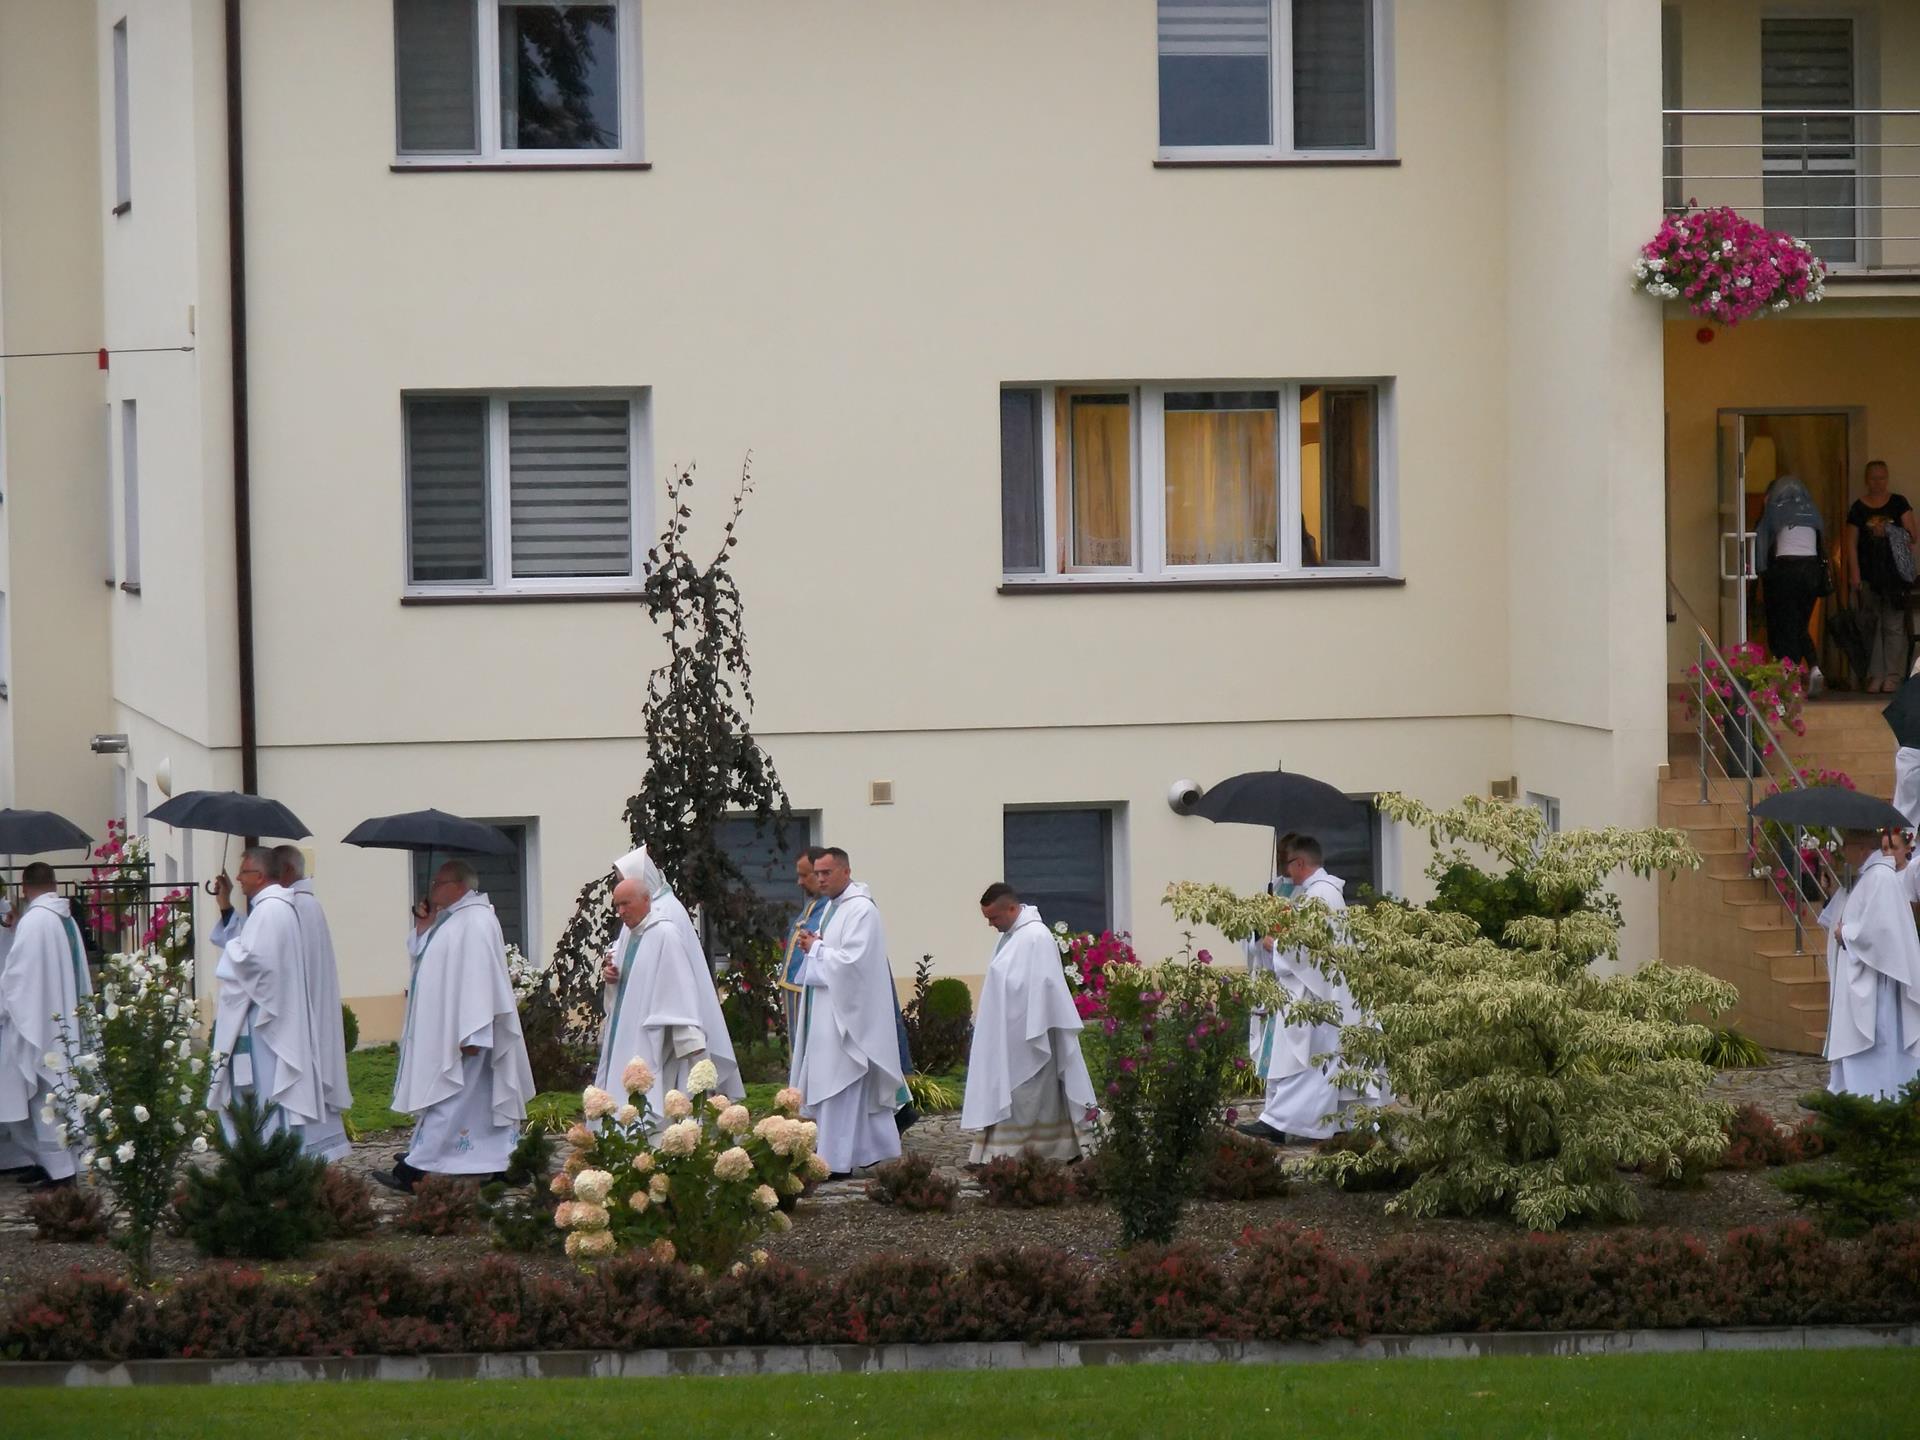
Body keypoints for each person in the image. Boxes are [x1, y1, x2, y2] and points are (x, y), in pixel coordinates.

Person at [378, 860, 534, 1192]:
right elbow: (427, 960)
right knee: (474, 1105)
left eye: (439, 882)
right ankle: (500, 1163)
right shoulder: (454, 918)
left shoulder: (476, 921)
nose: (432, 887)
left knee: (448, 1100)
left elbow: (478, 980)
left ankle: (415, 1171)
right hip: (451, 1030)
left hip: (467, 1034)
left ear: (460, 886)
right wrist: (424, 925)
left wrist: (473, 1033)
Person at [962, 883, 1096, 1164]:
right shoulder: (1011, 937)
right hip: (1009, 1031)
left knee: (1031, 1096)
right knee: (1014, 1092)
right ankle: (1001, 1151)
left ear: (1011, 908)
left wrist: (1031, 1022)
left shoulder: (1037, 937)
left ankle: (1036, 1151)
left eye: (993, 918)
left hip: (1034, 1032)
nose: (990, 924)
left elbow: (1045, 986)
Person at [1238, 835, 1360, 1145]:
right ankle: (1324, 1123)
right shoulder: (1311, 893)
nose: (1285, 871)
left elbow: (1313, 949)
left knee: (1307, 1060)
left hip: (1319, 994)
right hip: (1314, 990)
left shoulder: (1321, 895)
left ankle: (1279, 1122)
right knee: (1309, 1060)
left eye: (1288, 864)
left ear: (1301, 862)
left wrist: (1275, 945)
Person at [791, 847, 904, 1176]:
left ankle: (837, 1161)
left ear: (846, 871)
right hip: (828, 1012)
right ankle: (853, 1153)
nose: (821, 879)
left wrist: (817, 948)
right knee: (832, 1085)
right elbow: (835, 952)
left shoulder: (862, 910)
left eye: (826, 873)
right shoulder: (832, 907)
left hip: (848, 1019)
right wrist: (815, 943)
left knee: (842, 1084)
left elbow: (855, 963)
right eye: (817, 873)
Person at [594, 875, 740, 1122]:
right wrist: (611, 976)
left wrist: (689, 1036)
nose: (621, 912)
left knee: (652, 1093)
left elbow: (680, 987)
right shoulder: (628, 934)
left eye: (626, 904)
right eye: (617, 905)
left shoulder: (665, 934)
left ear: (646, 900)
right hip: (624, 1028)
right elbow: (624, 976)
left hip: (654, 1032)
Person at [208, 847, 325, 1150]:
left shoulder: (270, 910)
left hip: (265, 1024)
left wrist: (231, 951)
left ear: (259, 876)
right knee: (264, 1094)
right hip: (265, 1017)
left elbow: (253, 964)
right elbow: (252, 950)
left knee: (265, 1093)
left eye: (243, 872)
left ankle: (268, 1153)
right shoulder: (271, 907)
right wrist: (225, 904)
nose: (238, 878)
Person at [0, 864, 90, 1187]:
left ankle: (61, 1174)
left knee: (42, 1101)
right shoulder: (64, 917)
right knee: (50, 1100)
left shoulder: (36, 921)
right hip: (60, 1019)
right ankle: (47, 1164)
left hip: (39, 1028)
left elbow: (17, 978)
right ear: (53, 884)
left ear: (24, 889)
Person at [1824, 830, 1920, 1099]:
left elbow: (1881, 932)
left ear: (1862, 848)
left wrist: (1845, 933)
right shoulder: (1869, 877)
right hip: (1867, 974)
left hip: (1878, 982)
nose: (1843, 852)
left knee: (1879, 1042)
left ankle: (1876, 1095)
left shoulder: (1880, 877)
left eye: (1847, 845)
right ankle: (1859, 1093)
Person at [272, 845, 353, 1162]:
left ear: (287, 872)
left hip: (302, 1018)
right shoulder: (306, 906)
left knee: (305, 1088)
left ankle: (307, 1157)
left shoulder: (296, 909)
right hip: (308, 1014)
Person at [1846, 460, 1918, 693]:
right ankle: (1875, 675)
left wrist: (1888, 530)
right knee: (1873, 626)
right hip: (1869, 575)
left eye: (1882, 478)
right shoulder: (1858, 508)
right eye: (1874, 478)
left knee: (1893, 626)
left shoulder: (1898, 503)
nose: (1878, 483)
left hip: (1895, 576)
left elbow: (1912, 535)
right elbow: (1851, 544)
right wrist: (1854, 574)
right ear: (1866, 480)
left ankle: (1892, 676)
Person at [1754, 472, 1827, 692]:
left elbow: (1761, 542)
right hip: (1812, 572)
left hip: (1786, 571)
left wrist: (1758, 573)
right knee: (1800, 624)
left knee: (1787, 624)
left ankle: (1791, 673)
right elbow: (1822, 542)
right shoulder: (1812, 511)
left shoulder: (1775, 509)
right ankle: (1814, 667)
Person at [781, 847, 832, 1072]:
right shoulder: (814, 904)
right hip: (797, 988)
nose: (800, 882)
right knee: (799, 1054)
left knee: (814, 1054)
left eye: (804, 875)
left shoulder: (834, 906)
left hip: (814, 989)